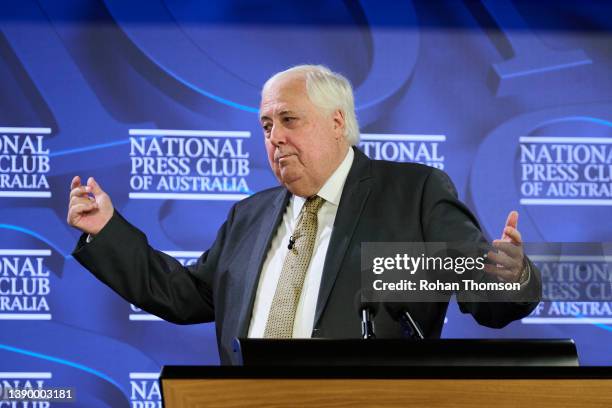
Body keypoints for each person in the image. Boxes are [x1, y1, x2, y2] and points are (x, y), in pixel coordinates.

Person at [67, 65, 541, 365]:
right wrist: (108, 231)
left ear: (337, 122)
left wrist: (507, 275)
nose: (273, 137)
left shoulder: (412, 194)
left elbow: (486, 298)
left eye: (289, 120)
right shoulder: (250, 215)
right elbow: (185, 295)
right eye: (266, 124)